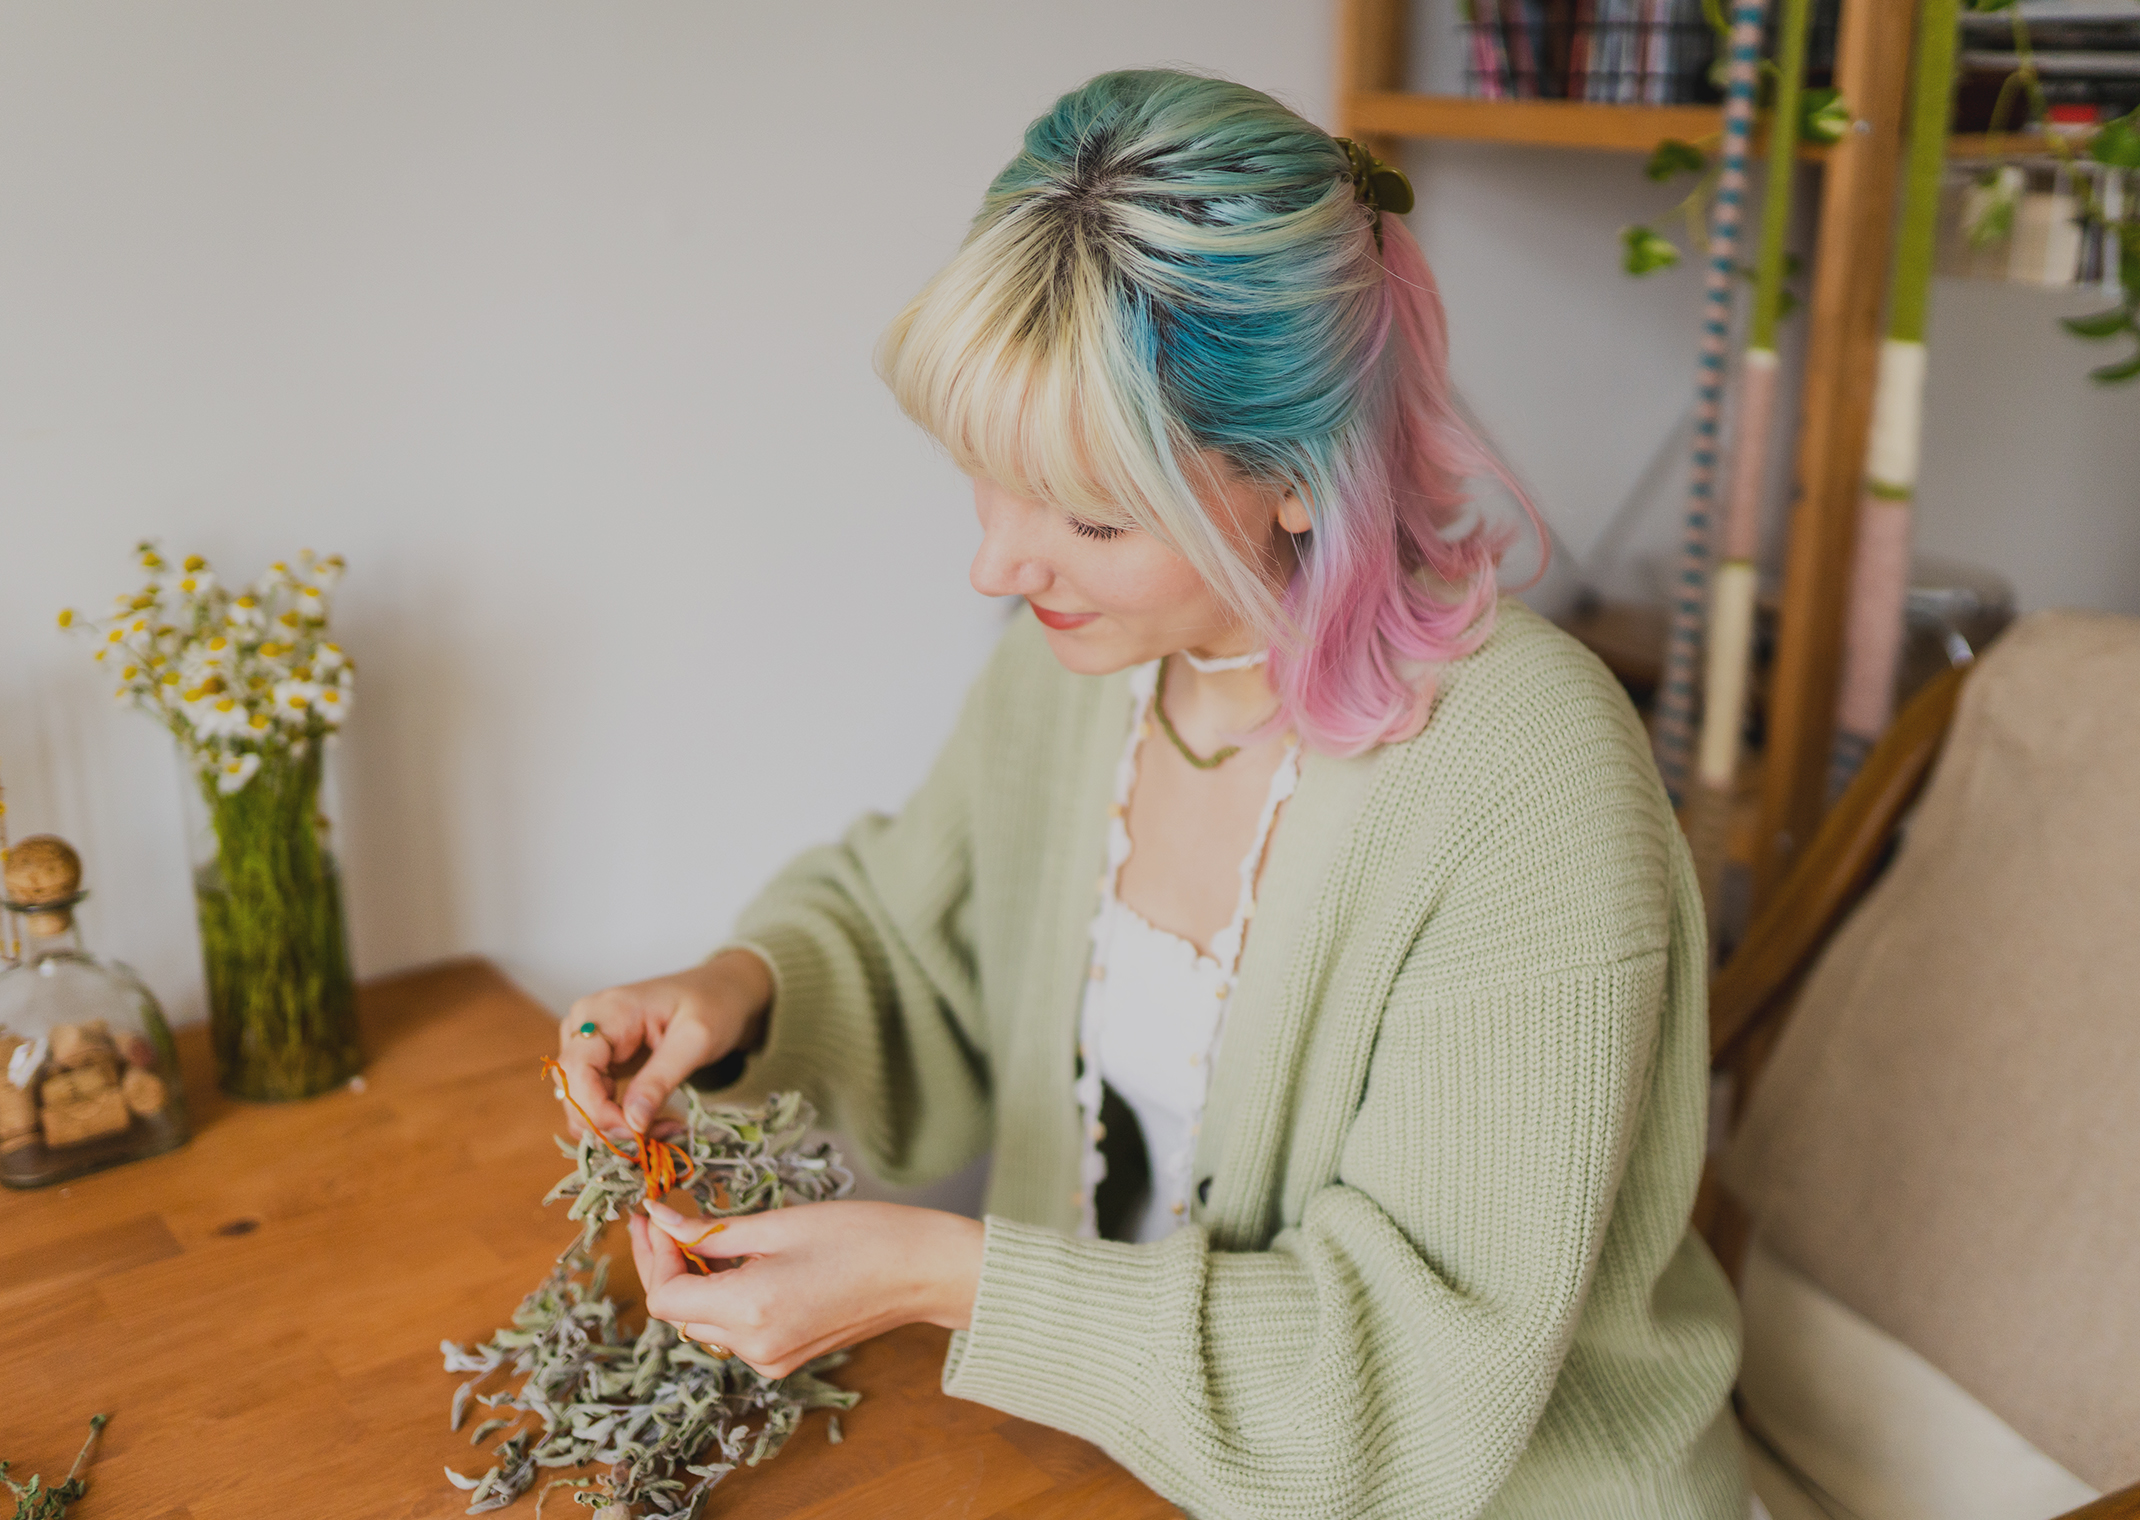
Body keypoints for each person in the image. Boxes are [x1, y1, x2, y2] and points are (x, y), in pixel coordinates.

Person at [554, 68, 1746, 1520]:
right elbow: (912, 930)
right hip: (1133, 1464)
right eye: (984, 481)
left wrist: (945, 1275)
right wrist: (741, 988)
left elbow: (1422, 1379)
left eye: (1091, 515)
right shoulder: (1082, 671)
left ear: (1299, 478)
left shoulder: (1527, 774)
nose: (998, 566)